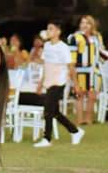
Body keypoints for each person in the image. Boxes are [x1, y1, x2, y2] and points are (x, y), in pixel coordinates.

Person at [32, 20, 84, 148]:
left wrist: (76, 84)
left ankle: (47, 138)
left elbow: (71, 67)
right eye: (48, 29)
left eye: (51, 29)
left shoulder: (63, 47)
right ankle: (75, 131)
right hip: (49, 82)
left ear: (58, 32)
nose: (48, 31)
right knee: (54, 112)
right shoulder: (47, 46)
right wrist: (41, 82)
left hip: (59, 81)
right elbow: (45, 65)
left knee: (48, 110)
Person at [68, 15, 102, 126]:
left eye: (87, 23)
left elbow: (101, 52)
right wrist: (72, 72)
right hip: (80, 70)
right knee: (79, 96)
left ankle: (88, 120)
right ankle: (79, 120)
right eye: (82, 22)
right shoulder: (75, 37)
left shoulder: (97, 37)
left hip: (94, 71)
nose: (84, 25)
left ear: (92, 25)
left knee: (92, 96)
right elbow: (71, 57)